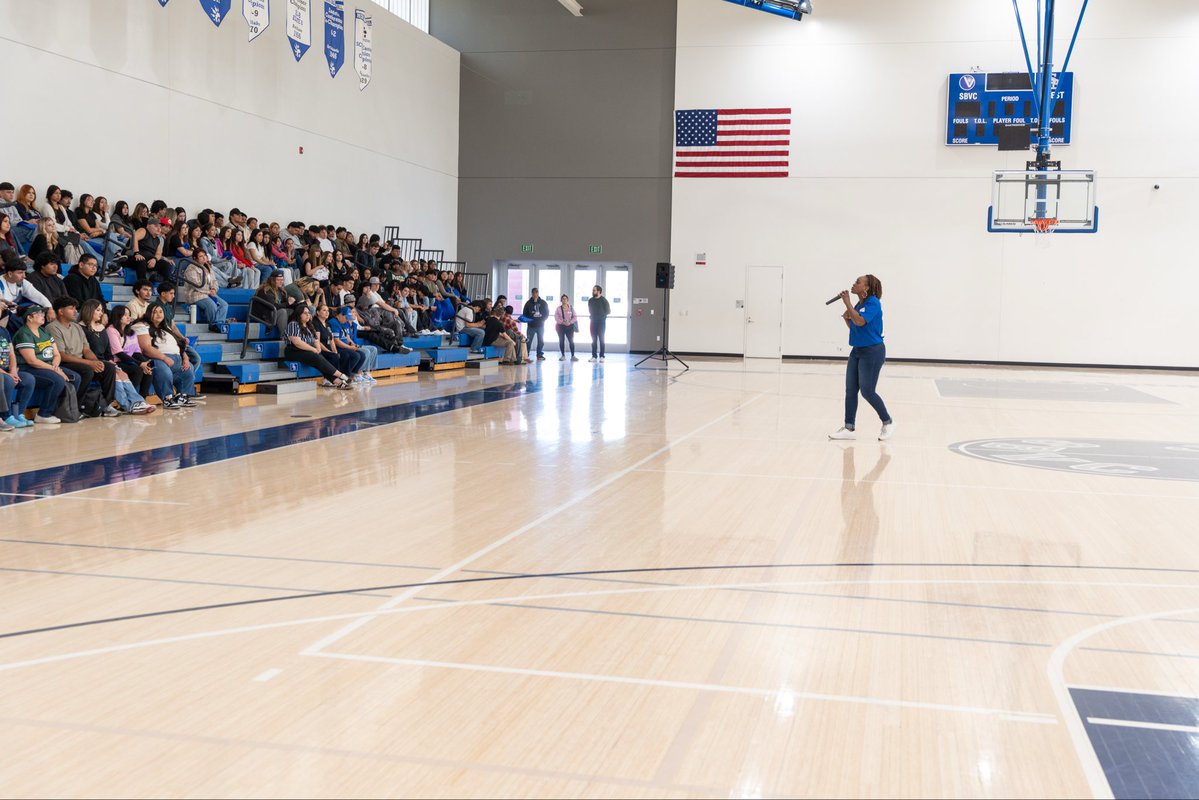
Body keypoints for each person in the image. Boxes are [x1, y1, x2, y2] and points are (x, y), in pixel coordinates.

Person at [829, 274, 894, 442]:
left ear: (866, 288)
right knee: (851, 390)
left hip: (872, 352)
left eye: (858, 282)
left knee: (867, 391)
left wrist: (847, 304)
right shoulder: (860, 304)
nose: (854, 283)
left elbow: (860, 322)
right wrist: (846, 317)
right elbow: (855, 326)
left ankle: (888, 422)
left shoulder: (873, 303)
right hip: (857, 351)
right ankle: (849, 428)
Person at [46, 296, 120, 416]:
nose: (76, 311)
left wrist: (97, 362)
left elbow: (86, 349)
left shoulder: (76, 327)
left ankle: (105, 405)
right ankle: (78, 407)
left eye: (76, 308)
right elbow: (61, 355)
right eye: (71, 308)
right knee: (87, 370)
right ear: (60, 311)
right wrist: (90, 363)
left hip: (81, 361)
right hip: (64, 362)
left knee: (108, 368)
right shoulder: (52, 328)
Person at [79, 299, 153, 414]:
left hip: (106, 361)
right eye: (98, 310)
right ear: (89, 310)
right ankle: (128, 406)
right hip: (91, 362)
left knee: (123, 374)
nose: (101, 313)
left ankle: (137, 402)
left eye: (102, 310)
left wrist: (110, 360)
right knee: (117, 375)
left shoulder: (101, 328)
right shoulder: (81, 328)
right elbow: (86, 350)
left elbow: (108, 351)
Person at [12, 305, 75, 424]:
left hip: (48, 367)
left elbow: (57, 354)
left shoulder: (43, 331)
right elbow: (32, 361)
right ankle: (43, 414)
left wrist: (55, 367)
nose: (43, 316)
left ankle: (64, 412)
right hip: (29, 368)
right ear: (29, 318)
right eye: (39, 314)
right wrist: (54, 369)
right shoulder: (24, 334)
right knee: (57, 380)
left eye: (43, 313)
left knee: (74, 377)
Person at [133, 303, 198, 410]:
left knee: (188, 369)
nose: (158, 314)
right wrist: (164, 358)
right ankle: (167, 398)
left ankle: (182, 396)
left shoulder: (166, 327)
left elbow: (177, 345)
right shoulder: (142, 326)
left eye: (160, 312)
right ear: (148, 313)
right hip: (158, 358)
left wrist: (185, 358)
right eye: (155, 312)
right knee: (162, 369)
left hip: (176, 358)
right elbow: (145, 347)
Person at [283, 305, 352, 389]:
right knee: (316, 358)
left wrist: (318, 348)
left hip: (306, 350)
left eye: (308, 313)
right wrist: (313, 349)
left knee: (319, 360)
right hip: (293, 351)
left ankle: (338, 382)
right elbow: (297, 342)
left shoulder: (309, 325)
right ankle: (341, 375)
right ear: (299, 314)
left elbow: (315, 339)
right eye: (305, 313)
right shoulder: (293, 324)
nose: (308, 315)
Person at [106, 304, 155, 400]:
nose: (129, 317)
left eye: (129, 314)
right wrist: (140, 363)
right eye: (125, 315)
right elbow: (119, 353)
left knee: (148, 368)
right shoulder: (111, 330)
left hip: (126, 360)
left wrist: (145, 363)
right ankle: (129, 398)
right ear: (118, 316)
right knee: (137, 370)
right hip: (115, 362)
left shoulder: (131, 332)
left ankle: (142, 399)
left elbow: (136, 352)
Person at [2, 251, 53, 332]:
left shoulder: (22, 282)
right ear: (10, 274)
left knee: (40, 311)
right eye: (20, 273)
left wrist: (50, 308)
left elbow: (37, 295)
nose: (24, 276)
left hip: (17, 312)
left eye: (24, 272)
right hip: (5, 315)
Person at [181, 249, 230, 333]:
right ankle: (212, 324)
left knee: (224, 305)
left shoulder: (208, 267)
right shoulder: (191, 268)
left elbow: (214, 281)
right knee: (212, 306)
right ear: (195, 258)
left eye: (205, 256)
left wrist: (214, 289)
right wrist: (209, 292)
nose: (204, 258)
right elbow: (196, 285)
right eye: (201, 256)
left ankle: (218, 323)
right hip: (195, 294)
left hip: (208, 293)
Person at [314, 304, 365, 383]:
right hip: (322, 349)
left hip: (331, 348)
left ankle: (349, 375)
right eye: (324, 310)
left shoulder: (327, 324)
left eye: (327, 310)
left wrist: (335, 350)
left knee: (361, 354)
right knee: (344, 356)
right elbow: (318, 341)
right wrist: (330, 351)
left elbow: (332, 339)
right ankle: (337, 377)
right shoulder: (318, 323)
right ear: (317, 312)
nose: (327, 312)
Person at [1, 324, 36, 429]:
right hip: (3, 373)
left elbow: (11, 354)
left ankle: (19, 414)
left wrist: (13, 371)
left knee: (28, 379)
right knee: (7, 380)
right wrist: (8, 374)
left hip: (9, 370)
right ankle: (6, 416)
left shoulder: (3, 330)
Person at [330, 305, 376, 383]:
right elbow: (337, 341)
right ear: (341, 314)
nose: (347, 320)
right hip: (339, 347)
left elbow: (347, 336)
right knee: (355, 355)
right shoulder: (334, 322)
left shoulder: (342, 322)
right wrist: (350, 347)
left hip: (346, 346)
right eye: (346, 318)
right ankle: (346, 375)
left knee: (362, 354)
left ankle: (353, 374)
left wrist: (353, 344)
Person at [522, 288, 549, 361]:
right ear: (532, 293)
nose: (535, 294)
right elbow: (525, 314)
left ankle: (539, 355)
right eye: (533, 293)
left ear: (538, 293)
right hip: (531, 326)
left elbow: (546, 313)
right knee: (529, 341)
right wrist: (529, 320)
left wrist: (542, 320)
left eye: (536, 292)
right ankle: (526, 355)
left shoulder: (543, 302)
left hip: (540, 326)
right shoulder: (528, 303)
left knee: (541, 341)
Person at [587, 284, 610, 362]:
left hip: (601, 323)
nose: (593, 291)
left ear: (599, 291)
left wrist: (600, 316)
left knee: (601, 339)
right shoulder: (590, 300)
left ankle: (602, 356)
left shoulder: (604, 300)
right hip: (593, 322)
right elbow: (589, 310)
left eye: (594, 290)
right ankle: (594, 356)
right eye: (593, 290)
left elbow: (608, 311)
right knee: (593, 340)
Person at [555, 294, 578, 361]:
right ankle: (563, 355)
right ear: (561, 300)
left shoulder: (571, 308)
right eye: (563, 299)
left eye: (565, 299)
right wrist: (562, 322)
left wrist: (570, 322)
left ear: (567, 300)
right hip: (560, 327)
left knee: (571, 341)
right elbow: (556, 317)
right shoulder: (558, 309)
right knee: (561, 341)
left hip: (569, 327)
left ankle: (573, 356)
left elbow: (575, 316)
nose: (564, 300)